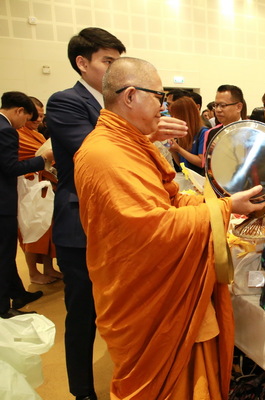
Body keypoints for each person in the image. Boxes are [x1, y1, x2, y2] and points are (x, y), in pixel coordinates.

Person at [73, 56, 264, 399]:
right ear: (130, 96)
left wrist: (213, 205)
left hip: (161, 288)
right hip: (144, 297)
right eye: (159, 97)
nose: (163, 107)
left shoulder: (126, 143)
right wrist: (224, 208)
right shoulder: (105, 154)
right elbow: (152, 228)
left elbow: (167, 199)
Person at [45, 27, 127, 400]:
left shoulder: (117, 105)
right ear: (82, 63)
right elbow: (96, 153)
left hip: (118, 222)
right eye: (108, 62)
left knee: (119, 309)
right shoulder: (65, 102)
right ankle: (82, 392)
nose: (116, 70)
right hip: (80, 223)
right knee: (82, 316)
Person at [0, 91, 52, 318]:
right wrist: (43, 159)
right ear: (19, 110)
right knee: (4, 255)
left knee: (6, 254)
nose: (25, 124)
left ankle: (18, 293)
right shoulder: (6, 131)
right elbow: (11, 168)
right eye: (27, 118)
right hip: (3, 203)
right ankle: (3, 307)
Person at [17, 96, 62, 285]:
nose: (38, 119)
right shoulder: (17, 134)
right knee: (33, 231)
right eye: (35, 115)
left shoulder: (37, 135)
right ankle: (33, 273)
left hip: (46, 187)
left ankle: (48, 268)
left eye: (42, 116)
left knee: (48, 231)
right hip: (29, 189)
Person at [168, 96, 206, 174]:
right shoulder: (183, 133)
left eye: (175, 115)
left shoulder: (204, 133)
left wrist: (178, 149)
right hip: (187, 176)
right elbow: (181, 164)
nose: (173, 118)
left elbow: (201, 162)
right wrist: (173, 150)